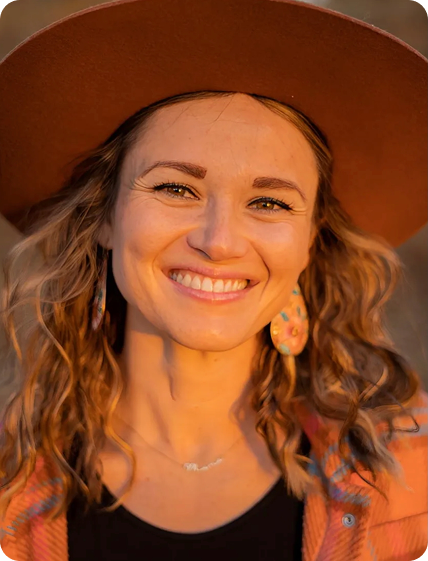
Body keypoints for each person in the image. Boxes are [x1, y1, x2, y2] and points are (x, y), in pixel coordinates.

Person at [0, 1, 426, 560]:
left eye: (269, 202)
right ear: (104, 217)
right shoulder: (8, 482)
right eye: (176, 189)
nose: (219, 242)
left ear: (310, 240)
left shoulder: (414, 475)